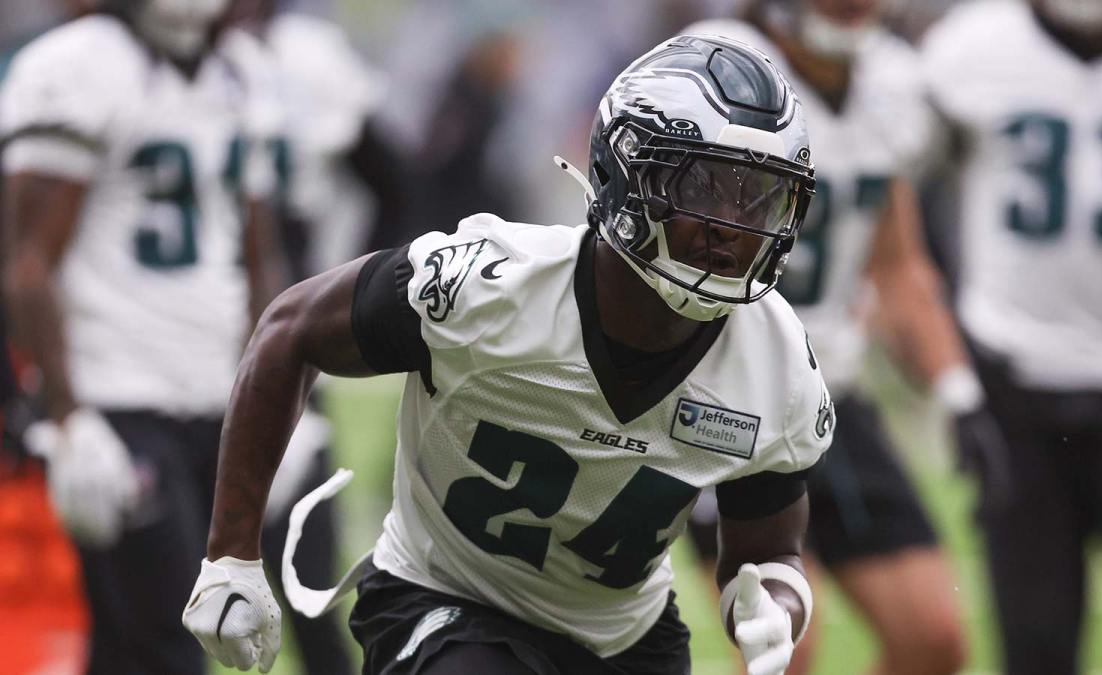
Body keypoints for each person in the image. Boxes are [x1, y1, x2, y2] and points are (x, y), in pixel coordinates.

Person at [182, 34, 836, 675]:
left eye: (762, 197)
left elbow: (768, 549)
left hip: (624, 638)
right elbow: (291, 327)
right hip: (445, 594)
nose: (736, 227)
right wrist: (231, 555)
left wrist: (775, 605)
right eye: (707, 189)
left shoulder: (775, 360)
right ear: (630, 173)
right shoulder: (490, 287)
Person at [681, 2, 1005, 673]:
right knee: (783, 649)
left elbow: (897, 263)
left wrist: (957, 390)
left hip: (832, 395)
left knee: (932, 636)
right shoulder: (717, 65)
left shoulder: (895, 81)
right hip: (727, 395)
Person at [0, 0, 285, 672]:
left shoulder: (244, 71)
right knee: (174, 634)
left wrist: (277, 392)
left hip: (217, 394)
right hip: (115, 396)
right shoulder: (74, 66)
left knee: (126, 645)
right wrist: (68, 416)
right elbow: (25, 261)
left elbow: (259, 257)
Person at [921, 1, 1102, 673]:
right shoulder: (969, 47)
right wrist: (955, 331)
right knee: (1037, 643)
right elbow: (904, 191)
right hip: (1017, 395)